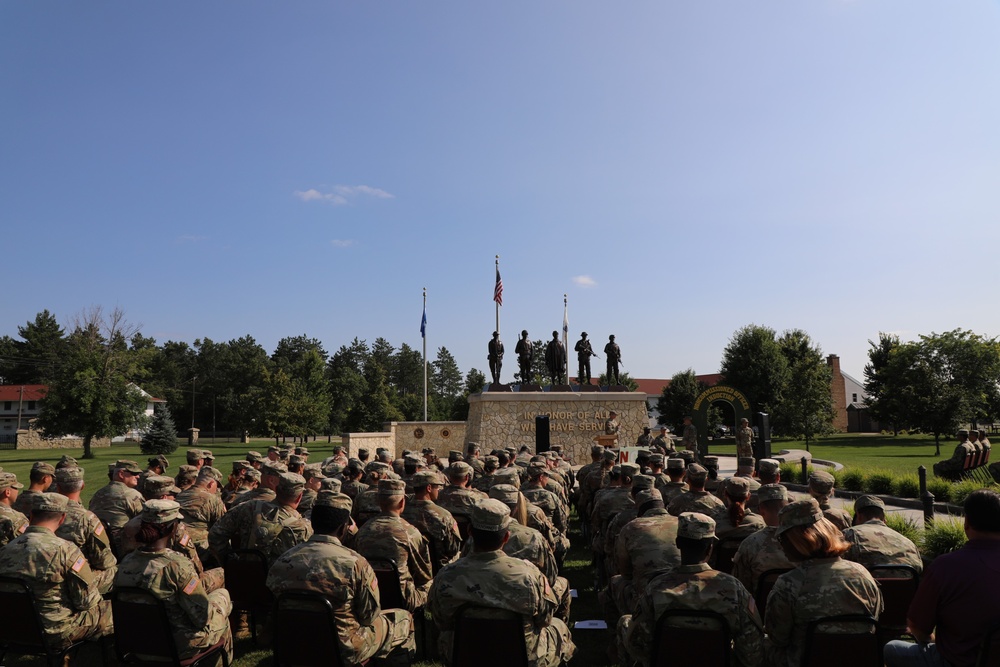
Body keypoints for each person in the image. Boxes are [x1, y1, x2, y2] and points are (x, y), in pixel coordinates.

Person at [428, 499, 576, 667]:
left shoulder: (446, 576)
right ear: (506, 537)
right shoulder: (528, 574)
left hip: (463, 654)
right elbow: (544, 619)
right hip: (522, 657)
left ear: (469, 531)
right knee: (559, 627)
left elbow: (440, 621)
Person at [267, 502, 413, 664]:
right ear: (343, 529)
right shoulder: (355, 563)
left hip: (293, 642)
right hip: (343, 648)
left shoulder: (283, 560)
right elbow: (369, 616)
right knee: (403, 619)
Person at [620, 512, 763, 667]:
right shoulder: (734, 589)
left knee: (624, 622)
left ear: (678, 543)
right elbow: (752, 651)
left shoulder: (656, 588)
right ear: (710, 548)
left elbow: (637, 645)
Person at [883, 489, 1000, 667]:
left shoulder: (946, 567)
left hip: (956, 661)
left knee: (892, 648)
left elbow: (918, 628)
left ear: (966, 522)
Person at [763, 499, 883, 667]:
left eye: (782, 539)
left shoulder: (789, 584)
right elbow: (875, 622)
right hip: (857, 660)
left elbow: (778, 637)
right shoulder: (862, 574)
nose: (781, 547)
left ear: (798, 540)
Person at [115, 500, 233, 663]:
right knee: (222, 597)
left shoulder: (126, 562)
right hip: (178, 645)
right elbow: (202, 617)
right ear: (173, 528)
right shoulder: (177, 566)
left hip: (139, 644)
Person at [0, 493, 114, 651]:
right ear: (62, 519)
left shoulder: (5, 550)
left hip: (13, 628)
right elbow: (86, 602)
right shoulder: (66, 551)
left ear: (31, 515)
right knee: (114, 608)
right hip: (56, 632)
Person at [353, 479, 434, 613]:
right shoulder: (409, 532)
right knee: (431, 583)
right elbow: (425, 574)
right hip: (403, 600)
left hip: (369, 596)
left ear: (379, 502)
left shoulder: (363, 530)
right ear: (402, 502)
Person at [53, 467, 118, 595]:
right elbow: (103, 561)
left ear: (58, 487)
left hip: (49, 573)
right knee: (116, 570)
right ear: (82, 486)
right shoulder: (87, 518)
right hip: (77, 579)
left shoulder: (43, 514)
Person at [731, 484, 794, 594]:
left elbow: (740, 586)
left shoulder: (750, 544)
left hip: (759, 608)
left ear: (761, 510)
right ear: (787, 507)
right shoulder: (805, 541)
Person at [842, 495, 922, 573]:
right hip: (906, 586)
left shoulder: (850, 534)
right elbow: (919, 568)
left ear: (859, 515)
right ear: (884, 519)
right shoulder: (907, 541)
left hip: (868, 585)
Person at [88, 459, 146, 552]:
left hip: (98, 544)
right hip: (122, 546)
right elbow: (145, 520)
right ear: (121, 474)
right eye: (133, 473)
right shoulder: (131, 495)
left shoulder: (98, 493)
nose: (138, 477)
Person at [0, 472, 28, 547]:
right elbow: (26, 543)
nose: (17, 491)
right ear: (7, 492)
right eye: (15, 488)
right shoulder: (17, 518)